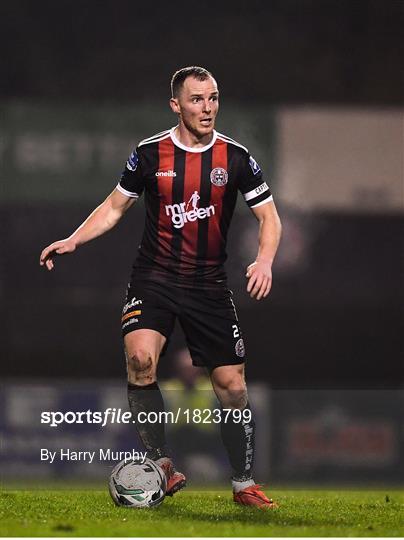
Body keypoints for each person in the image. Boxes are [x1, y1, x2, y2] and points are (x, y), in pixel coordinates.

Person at [40, 66, 282, 508]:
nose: (206, 108)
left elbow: (269, 216)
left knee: (231, 385)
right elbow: (114, 208)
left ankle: (243, 483)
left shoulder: (237, 157)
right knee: (140, 359)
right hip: (153, 277)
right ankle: (161, 464)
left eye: (212, 98)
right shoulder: (150, 154)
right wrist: (74, 238)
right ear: (176, 104)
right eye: (196, 99)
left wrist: (264, 260)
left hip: (208, 285)